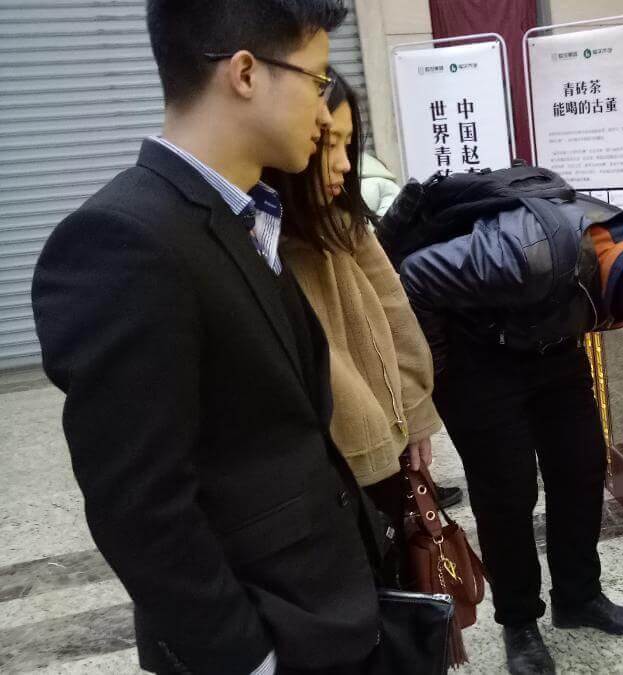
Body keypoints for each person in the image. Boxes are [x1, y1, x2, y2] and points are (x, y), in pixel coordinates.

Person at [31, 2, 390, 673]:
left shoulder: (248, 213)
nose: (324, 113)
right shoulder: (123, 241)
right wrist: (248, 657)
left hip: (323, 603)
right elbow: (139, 505)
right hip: (262, 630)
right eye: (316, 80)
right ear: (245, 73)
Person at [392, 197, 623, 674]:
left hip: (554, 345)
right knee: (507, 493)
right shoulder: (529, 254)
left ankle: (578, 597)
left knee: (581, 469)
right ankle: (519, 621)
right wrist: (433, 378)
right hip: (477, 360)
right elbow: (416, 275)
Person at [266, 69, 461, 526]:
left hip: (382, 452)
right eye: (327, 143)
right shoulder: (258, 240)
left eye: (348, 145)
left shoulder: (342, 223)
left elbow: (396, 312)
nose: (344, 164)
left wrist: (415, 413)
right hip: (313, 475)